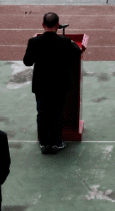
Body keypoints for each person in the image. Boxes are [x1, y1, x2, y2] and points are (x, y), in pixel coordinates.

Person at [22, 12, 83, 154]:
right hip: (58, 85)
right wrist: (66, 40)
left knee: (42, 113)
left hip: (41, 85)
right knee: (57, 113)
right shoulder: (65, 42)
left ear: (43, 25)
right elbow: (76, 52)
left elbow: (27, 62)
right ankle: (57, 143)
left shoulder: (34, 42)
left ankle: (44, 143)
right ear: (57, 25)